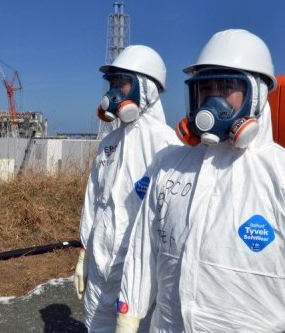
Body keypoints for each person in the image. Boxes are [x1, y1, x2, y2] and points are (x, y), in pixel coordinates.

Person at [116, 29, 285, 332]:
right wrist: (128, 317)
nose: (213, 98)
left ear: (257, 95)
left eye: (227, 86)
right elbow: (144, 248)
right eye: (205, 88)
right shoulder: (171, 166)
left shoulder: (279, 174)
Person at [74, 45, 181, 332]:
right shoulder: (109, 143)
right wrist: (84, 252)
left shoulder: (166, 145)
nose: (113, 92)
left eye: (121, 83)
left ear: (145, 89)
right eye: (111, 84)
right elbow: (94, 200)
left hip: (139, 274)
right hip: (100, 266)